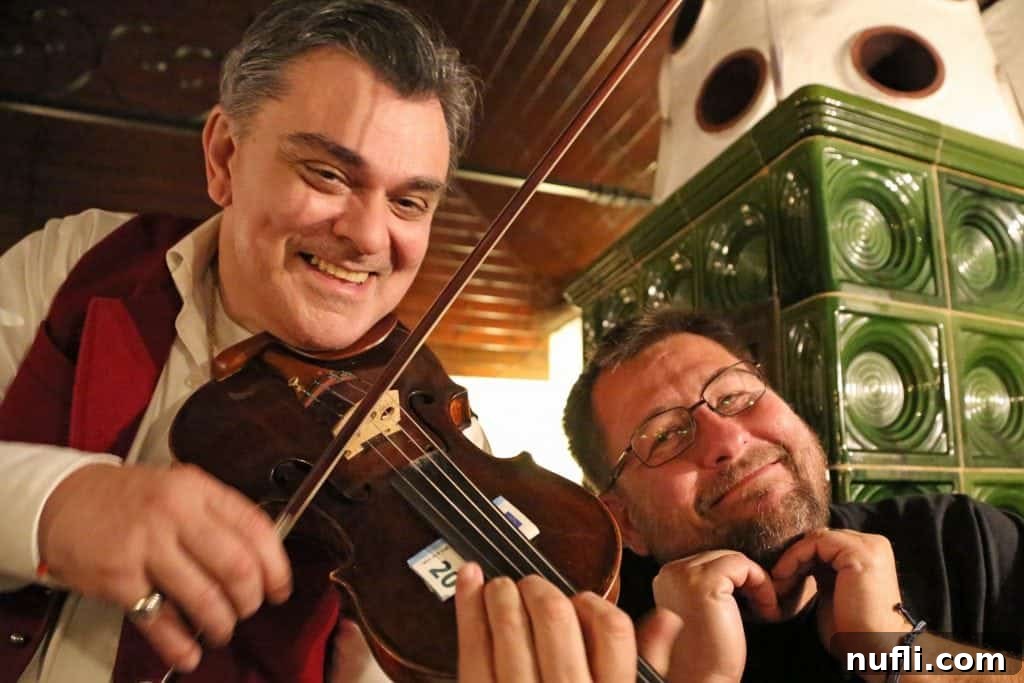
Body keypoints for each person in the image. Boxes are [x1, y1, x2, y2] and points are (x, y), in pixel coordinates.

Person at [0, 1, 485, 680]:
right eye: (328, 173)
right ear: (225, 156)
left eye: (409, 202)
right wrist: (56, 505)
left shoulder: (445, 443)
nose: (369, 236)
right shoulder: (74, 260)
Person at [562, 307, 1024, 683]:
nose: (728, 440)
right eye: (664, 435)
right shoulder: (598, 644)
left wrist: (899, 652)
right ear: (626, 522)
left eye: (733, 397)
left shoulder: (961, 537)